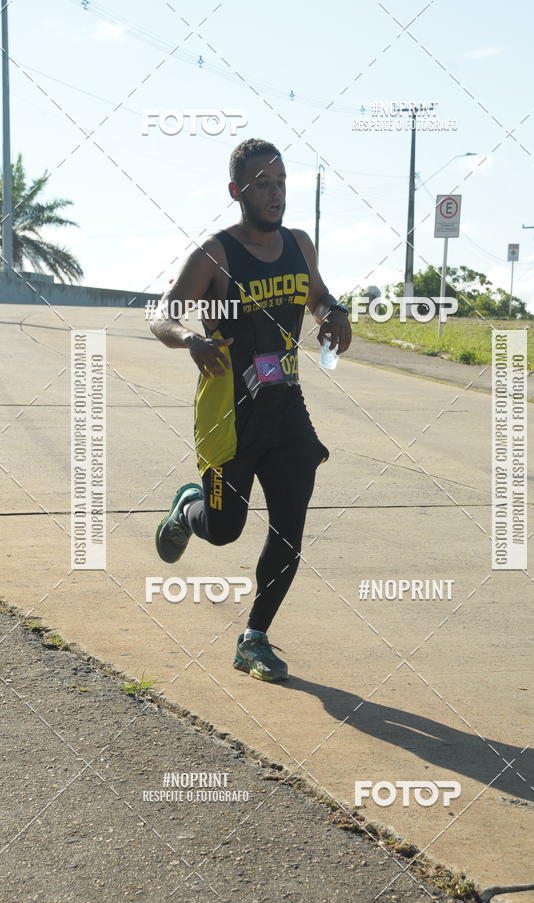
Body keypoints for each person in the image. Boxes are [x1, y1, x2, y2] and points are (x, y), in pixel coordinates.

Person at [150, 138, 351, 682]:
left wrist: (337, 315)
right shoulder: (215, 254)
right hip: (229, 415)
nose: (275, 192)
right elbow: (161, 315)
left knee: (289, 532)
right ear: (237, 191)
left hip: (287, 410)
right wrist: (190, 339)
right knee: (224, 530)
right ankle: (189, 507)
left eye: (281, 182)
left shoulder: (299, 245)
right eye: (263, 183)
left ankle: (253, 639)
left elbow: (321, 298)